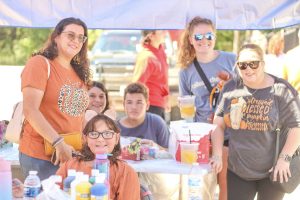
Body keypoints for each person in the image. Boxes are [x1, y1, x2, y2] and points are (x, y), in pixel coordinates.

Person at [211, 43, 300, 200]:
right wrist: (217, 154)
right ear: (237, 67)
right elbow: (218, 125)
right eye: (243, 65)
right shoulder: (231, 88)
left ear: (263, 63)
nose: (248, 69)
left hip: (273, 171)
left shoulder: (281, 89)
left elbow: (296, 127)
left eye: (253, 63)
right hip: (238, 170)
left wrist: (284, 159)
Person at [20, 17, 90, 180]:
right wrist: (58, 143)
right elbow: (30, 110)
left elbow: (77, 116)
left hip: (70, 155)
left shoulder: (79, 74)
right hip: (41, 156)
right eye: (71, 35)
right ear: (56, 37)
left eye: (81, 37)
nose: (76, 41)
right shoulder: (40, 64)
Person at [12, 114, 141, 199]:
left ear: (117, 137)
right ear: (85, 138)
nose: (101, 139)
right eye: (94, 134)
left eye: (107, 134)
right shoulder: (71, 165)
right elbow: (53, 195)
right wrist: (27, 191)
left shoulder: (125, 172)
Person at [178, 16, 236, 200]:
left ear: (215, 37)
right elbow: (185, 108)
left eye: (209, 36)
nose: (204, 40)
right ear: (190, 40)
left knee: (225, 184)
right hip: (203, 136)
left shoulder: (231, 60)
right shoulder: (186, 71)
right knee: (202, 187)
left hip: (232, 133)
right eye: (198, 37)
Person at [118, 83, 180, 200]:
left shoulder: (157, 122)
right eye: (129, 102)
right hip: (125, 180)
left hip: (155, 183)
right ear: (124, 105)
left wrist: (156, 147)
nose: (134, 107)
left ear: (147, 105)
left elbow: (171, 153)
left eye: (139, 102)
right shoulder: (115, 128)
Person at [132, 30, 169, 119]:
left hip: (160, 105)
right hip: (150, 107)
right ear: (151, 36)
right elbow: (137, 85)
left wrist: (166, 98)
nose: (165, 32)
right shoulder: (146, 57)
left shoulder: (160, 50)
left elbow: (164, 79)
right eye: (162, 31)